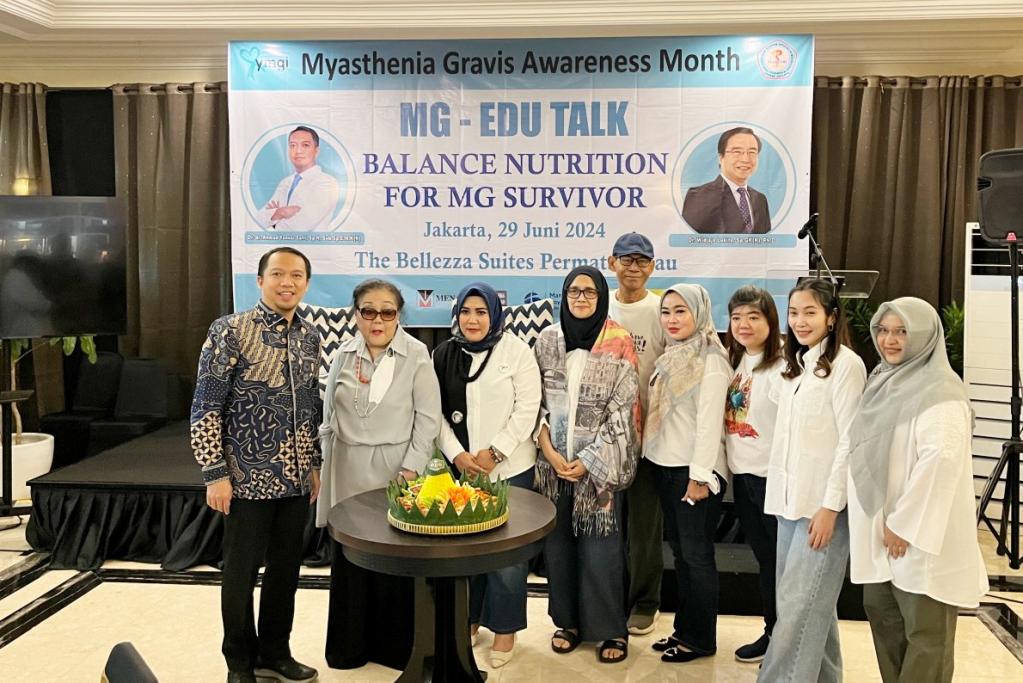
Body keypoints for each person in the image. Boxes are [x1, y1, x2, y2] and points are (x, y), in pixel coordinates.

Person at [190, 247, 321, 683]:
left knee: (286, 572)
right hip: (244, 480)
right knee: (241, 574)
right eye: (279, 274)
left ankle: (275, 653)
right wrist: (215, 473)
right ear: (261, 279)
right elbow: (206, 407)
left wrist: (314, 465)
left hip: (296, 479)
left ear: (306, 283)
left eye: (297, 275)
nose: (288, 282)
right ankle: (239, 662)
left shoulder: (309, 337)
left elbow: (310, 409)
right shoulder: (230, 331)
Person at [845, 298, 988, 683]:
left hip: (919, 537)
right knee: (884, 619)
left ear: (924, 336)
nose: (890, 340)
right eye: (884, 330)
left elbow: (940, 461)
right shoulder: (881, 381)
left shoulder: (941, 391)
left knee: (926, 635)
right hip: (881, 531)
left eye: (902, 331)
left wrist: (903, 525)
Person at [315, 278, 442, 670]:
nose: (378, 320)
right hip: (348, 467)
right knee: (351, 559)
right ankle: (350, 647)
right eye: (368, 311)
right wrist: (322, 463)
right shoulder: (343, 352)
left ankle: (395, 648)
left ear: (398, 316)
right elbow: (327, 417)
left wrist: (411, 469)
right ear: (356, 315)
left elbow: (428, 419)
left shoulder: (417, 353)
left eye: (388, 312)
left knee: (393, 559)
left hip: (396, 471)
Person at [758, 278, 867, 682]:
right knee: (811, 609)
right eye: (793, 313)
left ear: (831, 316)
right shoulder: (796, 366)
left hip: (822, 512)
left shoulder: (847, 367)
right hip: (789, 505)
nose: (800, 321)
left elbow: (850, 443)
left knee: (796, 612)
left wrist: (830, 507)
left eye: (810, 312)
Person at [535, 265, 641, 664]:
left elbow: (624, 410)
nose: (581, 299)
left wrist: (588, 460)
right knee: (559, 548)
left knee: (601, 551)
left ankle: (611, 628)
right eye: (573, 292)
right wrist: (547, 448)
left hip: (599, 470)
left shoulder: (619, 342)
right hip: (553, 466)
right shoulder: (547, 340)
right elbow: (535, 401)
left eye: (589, 292)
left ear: (601, 297)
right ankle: (569, 622)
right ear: (564, 296)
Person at [433, 282, 542, 669]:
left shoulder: (516, 352)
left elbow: (529, 407)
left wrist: (496, 452)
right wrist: (458, 455)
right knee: (467, 552)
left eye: (481, 312)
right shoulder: (444, 354)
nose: (473, 319)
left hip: (510, 469)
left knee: (505, 556)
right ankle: (470, 619)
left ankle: (505, 628)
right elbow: (436, 414)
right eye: (466, 312)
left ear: (494, 315)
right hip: (462, 470)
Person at [645, 284, 731, 663]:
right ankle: (684, 629)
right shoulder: (673, 354)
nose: (672, 319)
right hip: (667, 467)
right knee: (681, 554)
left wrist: (699, 478)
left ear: (700, 312)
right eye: (666, 312)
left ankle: (700, 639)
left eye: (681, 311)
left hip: (694, 473)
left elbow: (710, 424)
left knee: (696, 557)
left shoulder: (710, 359)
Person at [606, 231, 669, 637]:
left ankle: (646, 601)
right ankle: (609, 598)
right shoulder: (597, 303)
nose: (633, 267)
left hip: (650, 437)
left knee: (645, 525)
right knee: (607, 525)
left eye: (641, 260)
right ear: (610, 263)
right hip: (604, 441)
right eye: (625, 260)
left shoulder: (662, 309)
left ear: (652, 267)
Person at [723, 285, 785, 663]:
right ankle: (772, 631)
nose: (743, 325)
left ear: (770, 320)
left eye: (753, 317)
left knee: (781, 564)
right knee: (766, 561)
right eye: (736, 317)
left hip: (771, 480)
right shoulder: (740, 359)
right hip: (743, 478)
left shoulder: (785, 366)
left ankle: (784, 638)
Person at [682, 127, 771, 235]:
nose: (745, 159)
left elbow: (766, 242)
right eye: (737, 152)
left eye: (752, 152)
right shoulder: (699, 196)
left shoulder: (760, 199)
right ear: (721, 157)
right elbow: (690, 243)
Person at [255, 126, 340, 232]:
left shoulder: (327, 183)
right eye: (293, 145)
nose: (298, 151)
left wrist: (272, 220)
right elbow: (259, 219)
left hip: (313, 247)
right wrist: (280, 212)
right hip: (281, 246)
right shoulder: (285, 182)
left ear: (317, 151)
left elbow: (298, 227)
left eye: (305, 145)